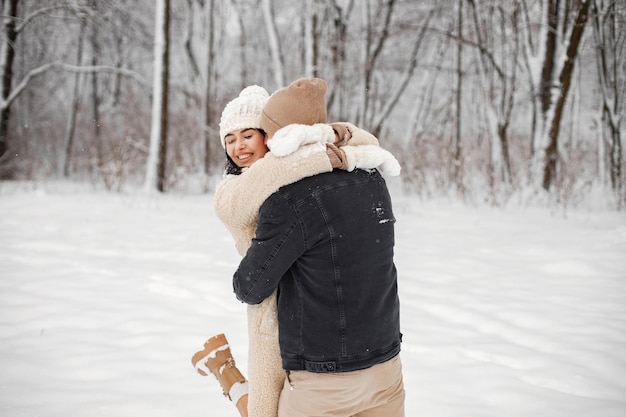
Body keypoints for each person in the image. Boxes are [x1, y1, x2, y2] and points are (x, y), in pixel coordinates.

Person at [192, 80, 401, 417]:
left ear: (273, 136)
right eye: (230, 139)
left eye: (251, 134)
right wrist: (339, 145)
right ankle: (223, 369)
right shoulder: (370, 175)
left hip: (318, 361)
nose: (239, 146)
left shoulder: (290, 197)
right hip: (382, 356)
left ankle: (224, 370)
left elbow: (248, 285)